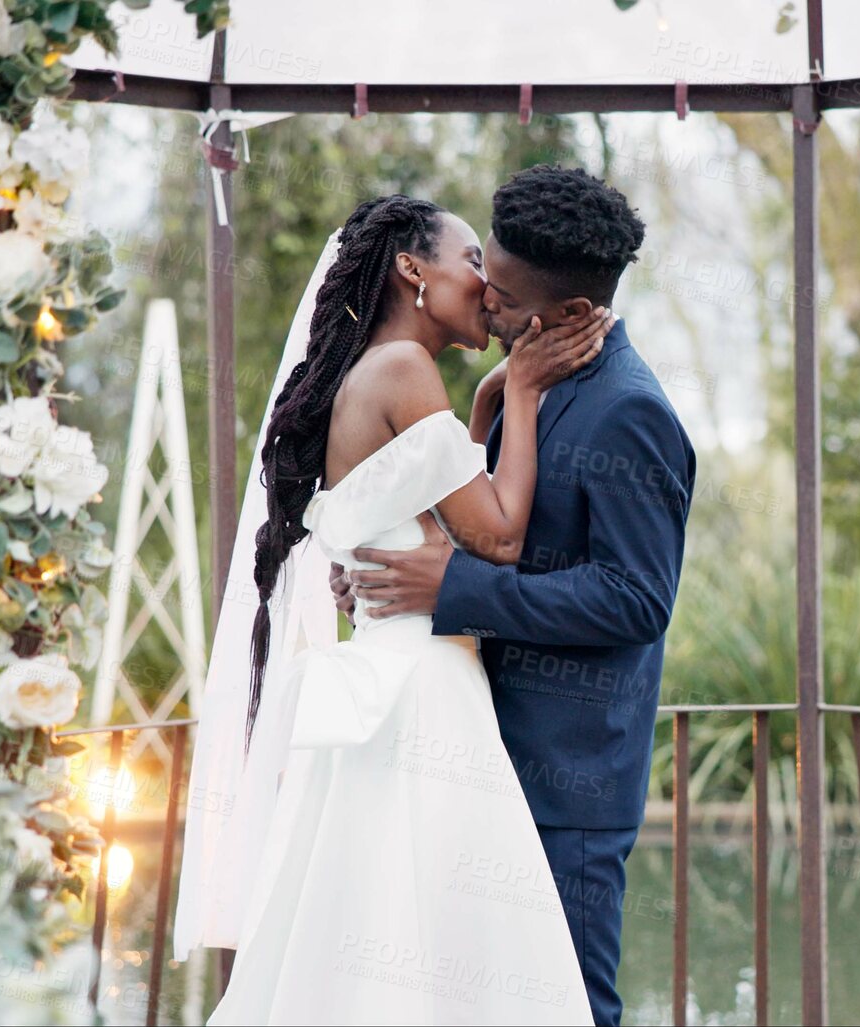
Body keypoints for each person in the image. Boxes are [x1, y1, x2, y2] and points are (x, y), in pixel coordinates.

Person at [173, 190, 614, 1024]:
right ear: (413, 269)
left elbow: (430, 500)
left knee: (385, 914)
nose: (487, 285)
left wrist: (483, 406)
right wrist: (520, 389)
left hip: (390, 675)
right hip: (423, 692)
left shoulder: (373, 375)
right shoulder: (406, 370)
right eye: (471, 261)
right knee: (451, 930)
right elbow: (498, 536)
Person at [334, 166, 696, 1026]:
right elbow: (475, 523)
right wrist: (395, 561)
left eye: (500, 293)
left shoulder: (630, 414)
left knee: (569, 1004)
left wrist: (452, 585)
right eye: (482, 273)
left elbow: (634, 599)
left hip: (566, 786)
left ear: (570, 314)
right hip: (476, 752)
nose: (481, 300)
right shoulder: (515, 391)